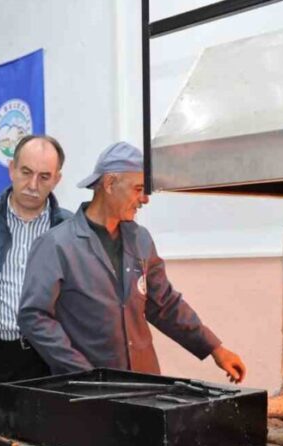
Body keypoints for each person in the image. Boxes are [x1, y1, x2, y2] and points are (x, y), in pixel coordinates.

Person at [19, 142, 247, 383]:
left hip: (144, 384)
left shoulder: (141, 240)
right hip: (85, 391)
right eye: (138, 189)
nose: (145, 199)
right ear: (109, 183)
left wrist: (215, 349)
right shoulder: (56, 245)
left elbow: (165, 305)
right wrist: (82, 373)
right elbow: (34, 316)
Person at [0, 135, 72, 439]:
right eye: (26, 172)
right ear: (11, 169)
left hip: (46, 359)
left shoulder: (68, 229)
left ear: (56, 179)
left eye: (44, 176)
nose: (33, 184)